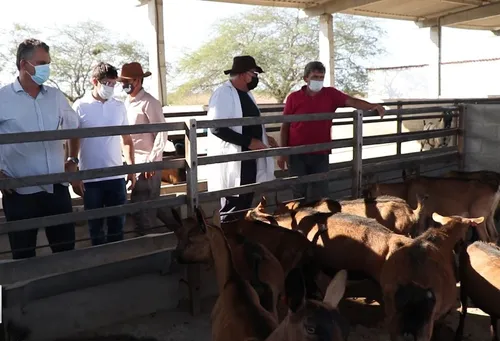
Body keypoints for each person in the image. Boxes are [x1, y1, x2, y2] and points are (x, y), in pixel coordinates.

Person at [0, 38, 79, 259]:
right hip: (19, 192)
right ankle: (28, 292)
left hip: (57, 189)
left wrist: (73, 159)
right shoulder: (2, 99)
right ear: (24, 64)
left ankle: (63, 290)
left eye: (48, 63)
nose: (47, 68)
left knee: (65, 251)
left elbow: (75, 128)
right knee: (23, 254)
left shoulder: (55, 97)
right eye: (42, 62)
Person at [278, 61, 385, 201]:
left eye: (321, 77)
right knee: (298, 192)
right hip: (297, 153)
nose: (318, 80)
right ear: (306, 78)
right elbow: (285, 126)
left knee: (322, 192)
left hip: (321, 152)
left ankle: (321, 221)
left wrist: (373, 106)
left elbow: (352, 101)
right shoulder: (294, 98)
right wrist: (282, 153)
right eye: (315, 77)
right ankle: (300, 220)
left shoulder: (330, 94)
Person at [68, 62, 136, 246]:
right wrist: (75, 173)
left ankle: (116, 263)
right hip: (90, 178)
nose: (111, 88)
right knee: (95, 227)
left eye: (114, 84)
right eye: (107, 83)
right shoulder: (80, 106)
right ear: (94, 81)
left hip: (115, 176)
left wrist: (131, 167)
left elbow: (127, 139)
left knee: (117, 226)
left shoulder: (119, 106)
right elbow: (73, 139)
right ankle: (99, 264)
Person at [207, 55, 277, 223]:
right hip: (235, 158)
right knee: (233, 205)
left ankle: (237, 243)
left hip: (248, 158)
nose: (255, 77)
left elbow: (247, 123)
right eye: (253, 73)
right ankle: (227, 241)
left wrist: (264, 137)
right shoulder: (224, 94)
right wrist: (249, 142)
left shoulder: (245, 94)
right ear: (243, 74)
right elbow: (216, 127)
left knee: (245, 202)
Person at [117, 62, 172, 235]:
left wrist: (152, 161)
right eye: (122, 82)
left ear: (138, 80)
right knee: (140, 205)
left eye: (128, 81)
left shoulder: (149, 102)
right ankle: (177, 229)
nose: (124, 85)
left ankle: (149, 244)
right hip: (130, 162)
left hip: (146, 163)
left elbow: (162, 133)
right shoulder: (125, 103)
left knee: (145, 209)